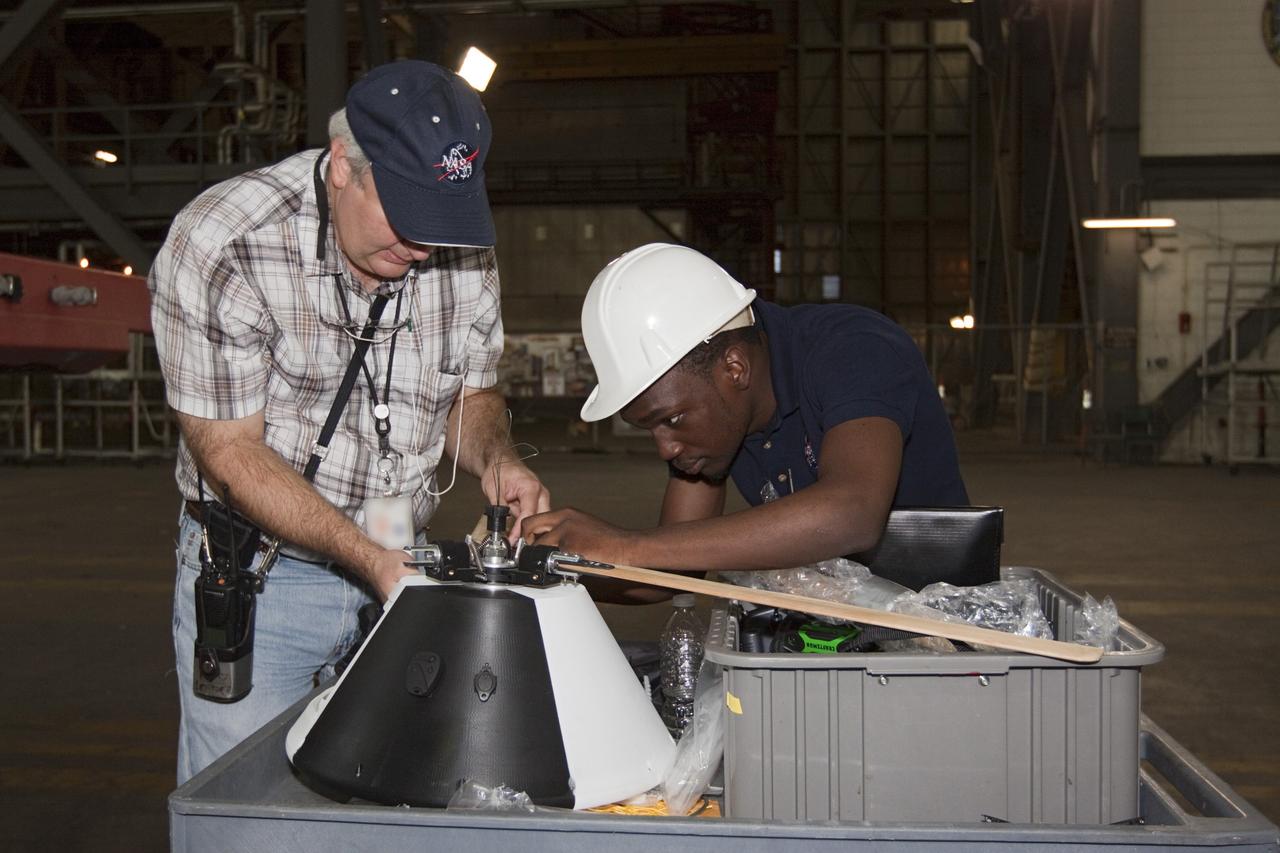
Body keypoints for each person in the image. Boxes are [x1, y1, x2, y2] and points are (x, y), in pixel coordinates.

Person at [149, 60, 549, 783]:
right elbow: (229, 451)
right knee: (249, 811)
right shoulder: (223, 244)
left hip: (400, 570)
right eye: (406, 211)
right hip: (266, 581)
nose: (425, 246)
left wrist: (497, 459)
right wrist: (366, 558)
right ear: (342, 166)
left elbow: (471, 394)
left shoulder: (456, 245)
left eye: (443, 219)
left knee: (389, 795)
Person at [524, 243, 966, 601]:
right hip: (832, 634)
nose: (666, 448)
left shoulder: (853, 350)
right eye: (651, 429)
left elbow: (853, 512)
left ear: (734, 368)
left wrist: (625, 546)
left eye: (672, 419)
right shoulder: (717, 425)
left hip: (936, 637)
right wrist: (548, 565)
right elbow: (662, 571)